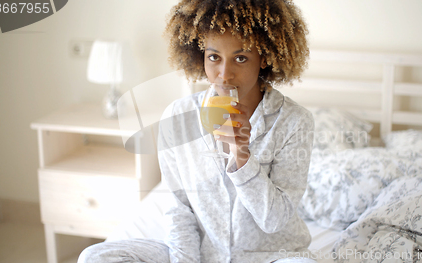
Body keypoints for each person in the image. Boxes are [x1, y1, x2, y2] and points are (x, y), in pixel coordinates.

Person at [78, 0, 315, 262]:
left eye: (240, 58)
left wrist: (242, 159)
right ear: (198, 55)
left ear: (265, 58)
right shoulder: (178, 118)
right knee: (95, 256)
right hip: (202, 255)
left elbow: (275, 220)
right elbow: (179, 207)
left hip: (271, 256)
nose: (224, 74)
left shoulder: (295, 122)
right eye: (214, 57)